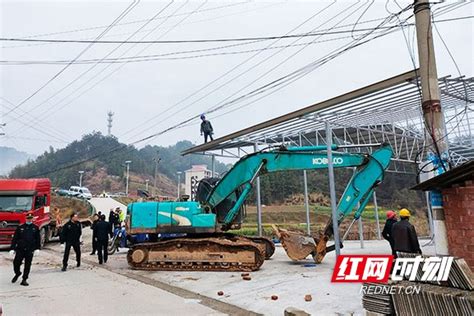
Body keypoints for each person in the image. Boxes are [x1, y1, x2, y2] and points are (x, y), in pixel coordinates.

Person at [9, 212, 40, 286]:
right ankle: (17, 273)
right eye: (28, 218)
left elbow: (38, 239)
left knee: (27, 265)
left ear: (32, 219)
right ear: (26, 219)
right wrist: (12, 248)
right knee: (16, 263)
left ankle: (24, 279)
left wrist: (37, 248)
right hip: (20, 249)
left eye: (30, 218)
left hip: (30, 249)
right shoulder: (20, 227)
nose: (29, 220)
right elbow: (15, 239)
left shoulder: (35, 228)